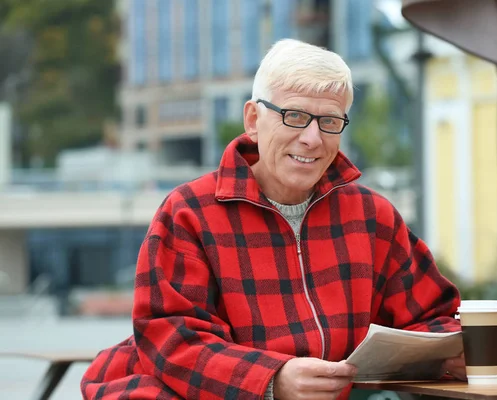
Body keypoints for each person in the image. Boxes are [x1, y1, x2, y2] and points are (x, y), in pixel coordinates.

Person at [81, 38, 464, 400]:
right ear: (253, 119)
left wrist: (450, 352)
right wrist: (272, 380)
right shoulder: (188, 212)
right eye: (294, 116)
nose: (312, 138)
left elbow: (434, 316)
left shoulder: (372, 217)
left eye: (330, 121)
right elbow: (171, 337)